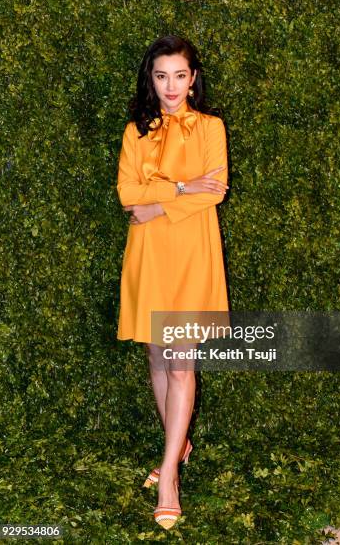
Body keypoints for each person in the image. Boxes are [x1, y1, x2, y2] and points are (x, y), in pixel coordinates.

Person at [116, 34, 229, 530]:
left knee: (182, 361)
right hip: (148, 256)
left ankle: (168, 478)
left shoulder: (210, 126)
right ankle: (176, 446)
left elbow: (216, 190)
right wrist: (183, 186)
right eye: (161, 76)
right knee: (158, 356)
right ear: (151, 79)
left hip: (191, 255)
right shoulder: (134, 132)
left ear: (193, 78)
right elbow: (126, 194)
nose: (170, 86)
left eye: (179, 75)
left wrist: (158, 200)